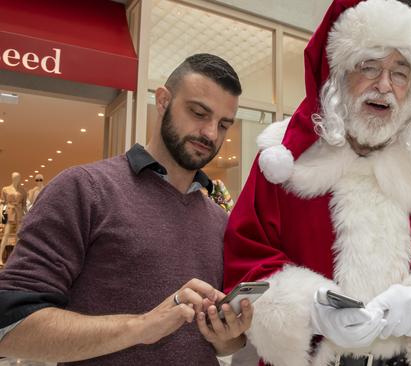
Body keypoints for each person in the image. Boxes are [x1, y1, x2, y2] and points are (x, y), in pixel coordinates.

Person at [223, 1, 411, 365]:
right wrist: (309, 309)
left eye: (400, 72)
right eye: (369, 67)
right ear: (338, 76)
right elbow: (244, 258)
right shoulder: (282, 165)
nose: (384, 85)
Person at [0, 54, 253, 365]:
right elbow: (9, 326)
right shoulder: (84, 189)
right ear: (163, 101)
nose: (211, 134)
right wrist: (141, 327)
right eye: (199, 113)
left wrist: (226, 335)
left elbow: (222, 347)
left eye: (224, 124)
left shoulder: (219, 221)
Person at [0, 172, 26, 265]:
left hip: (19, 213)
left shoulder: (23, 191)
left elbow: (24, 206)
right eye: (15, 177)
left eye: (18, 178)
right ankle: (0, 258)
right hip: (9, 212)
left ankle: (15, 258)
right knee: (6, 234)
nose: (17, 179)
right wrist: (2, 214)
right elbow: (2, 203)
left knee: (18, 236)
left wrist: (26, 216)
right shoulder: (6, 189)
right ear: (12, 178)